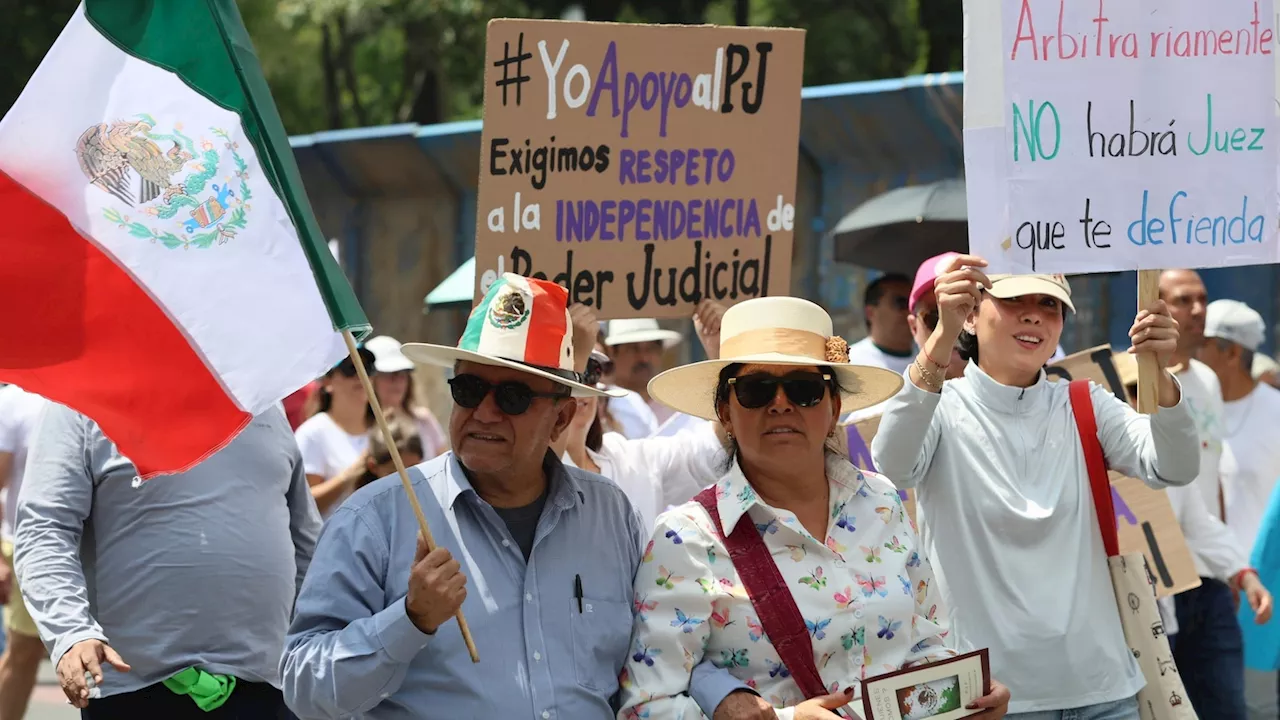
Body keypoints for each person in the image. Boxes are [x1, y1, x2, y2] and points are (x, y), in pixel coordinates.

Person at [279, 274, 753, 719]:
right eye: (468, 388)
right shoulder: (377, 518)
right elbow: (304, 688)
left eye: (512, 397)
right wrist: (409, 620)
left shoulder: (609, 513)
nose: (483, 413)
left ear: (562, 419)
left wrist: (725, 696)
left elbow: (657, 643)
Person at [618, 295, 1011, 719]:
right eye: (756, 389)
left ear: (834, 407)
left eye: (804, 389)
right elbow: (647, 707)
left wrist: (964, 700)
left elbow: (926, 646)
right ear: (724, 413)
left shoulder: (881, 503)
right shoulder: (686, 539)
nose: (781, 403)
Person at [872, 255, 1200, 718]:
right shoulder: (938, 408)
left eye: (1050, 304)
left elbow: (1174, 466)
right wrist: (941, 336)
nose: (1033, 315)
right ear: (971, 312)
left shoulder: (1085, 402)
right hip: (991, 699)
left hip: (1104, 693)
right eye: (1013, 300)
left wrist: (1161, 375)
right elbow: (894, 463)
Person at [16, 404, 320, 717]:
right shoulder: (77, 400)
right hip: (135, 691)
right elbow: (45, 529)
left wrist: (322, 634)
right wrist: (71, 632)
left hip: (268, 687)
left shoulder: (263, 399)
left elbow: (306, 542)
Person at [1111, 347, 1273, 719]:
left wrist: (1244, 576)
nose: (1142, 399)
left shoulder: (1168, 451)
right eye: (1132, 388)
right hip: (1129, 620)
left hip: (1196, 596)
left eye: (1149, 387)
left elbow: (1197, 522)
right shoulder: (1091, 459)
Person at [1157, 270, 1272, 719]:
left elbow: (1210, 484)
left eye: (1202, 299)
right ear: (1155, 306)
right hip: (1154, 587)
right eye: (1184, 300)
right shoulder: (1126, 381)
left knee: (1227, 707)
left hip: (1208, 578)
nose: (1198, 310)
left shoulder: (1205, 381)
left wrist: (1236, 570)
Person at [555, 303, 725, 532]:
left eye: (590, 370)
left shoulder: (630, 460)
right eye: (569, 366)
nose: (583, 384)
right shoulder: (528, 471)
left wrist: (724, 363)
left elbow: (713, 449)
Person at [0, 384, 46, 720]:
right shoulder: (13, 401)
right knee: (24, 654)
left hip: (103, 547)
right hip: (28, 547)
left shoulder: (97, 386)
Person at [295, 345, 376, 516]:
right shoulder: (312, 434)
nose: (361, 376)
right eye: (350, 369)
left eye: (367, 368)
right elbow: (304, 504)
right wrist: (352, 473)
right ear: (327, 382)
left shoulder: (383, 431)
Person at [365, 335, 449, 460]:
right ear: (370, 378)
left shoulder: (424, 420)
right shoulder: (359, 426)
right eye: (389, 374)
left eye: (403, 373)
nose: (397, 381)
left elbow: (444, 462)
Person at [604, 317, 685, 436]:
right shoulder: (599, 407)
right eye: (632, 348)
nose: (644, 358)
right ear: (611, 353)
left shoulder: (678, 409)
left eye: (651, 348)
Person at [846, 273, 914, 375]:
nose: (910, 311)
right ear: (871, 312)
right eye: (901, 303)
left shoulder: (936, 362)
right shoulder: (848, 364)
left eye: (913, 304)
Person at [354, 417, 425, 492]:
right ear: (373, 467)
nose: (406, 481)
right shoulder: (366, 501)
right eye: (395, 473)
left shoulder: (428, 494)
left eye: (412, 469)